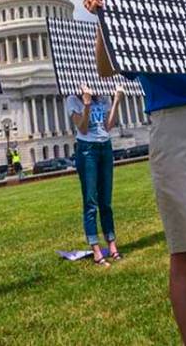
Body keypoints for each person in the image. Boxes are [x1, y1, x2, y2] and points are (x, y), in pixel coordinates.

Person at [85, 0, 186, 346]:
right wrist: (101, 19)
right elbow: (105, 68)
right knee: (184, 254)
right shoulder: (140, 31)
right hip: (170, 139)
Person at [66, 83, 124, 266]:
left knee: (106, 201)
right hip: (86, 149)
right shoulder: (73, 100)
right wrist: (87, 105)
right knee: (91, 201)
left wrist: (116, 101)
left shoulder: (103, 97)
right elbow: (82, 128)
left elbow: (108, 126)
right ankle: (97, 250)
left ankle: (112, 245)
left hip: (105, 147)